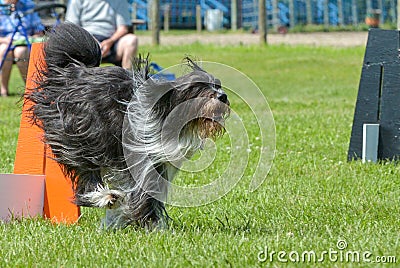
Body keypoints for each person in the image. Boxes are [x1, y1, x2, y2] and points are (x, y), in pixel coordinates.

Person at [66, 0, 138, 69]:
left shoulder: (120, 1)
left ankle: (129, 77)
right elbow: (72, 27)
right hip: (86, 39)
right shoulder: (76, 1)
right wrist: (90, 41)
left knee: (131, 40)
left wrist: (110, 41)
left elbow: (123, 28)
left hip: (112, 41)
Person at [0, 0, 44, 97]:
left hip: (24, 41)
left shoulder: (29, 4)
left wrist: (34, 36)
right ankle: (3, 90)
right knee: (3, 51)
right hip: (4, 41)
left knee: (21, 52)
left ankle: (31, 89)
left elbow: (39, 29)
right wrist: (4, 40)